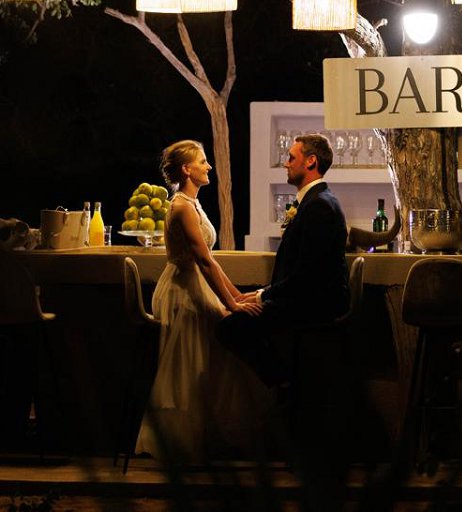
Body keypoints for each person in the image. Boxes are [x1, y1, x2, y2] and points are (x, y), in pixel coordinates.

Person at [135, 140, 265, 463]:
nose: (209, 166)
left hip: (196, 283)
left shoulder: (192, 202)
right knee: (191, 364)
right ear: (186, 169)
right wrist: (231, 305)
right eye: (203, 161)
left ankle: (210, 438)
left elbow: (211, 260)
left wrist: (236, 295)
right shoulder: (181, 207)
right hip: (184, 290)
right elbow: (203, 262)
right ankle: (183, 444)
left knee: (218, 353)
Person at [217, 133, 349, 391]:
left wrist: (263, 296)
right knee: (236, 315)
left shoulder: (319, 206)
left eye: (291, 157)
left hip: (316, 304)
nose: (286, 163)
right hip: (306, 297)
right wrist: (263, 293)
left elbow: (308, 276)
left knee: (230, 327)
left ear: (311, 161)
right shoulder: (315, 201)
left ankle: (282, 384)